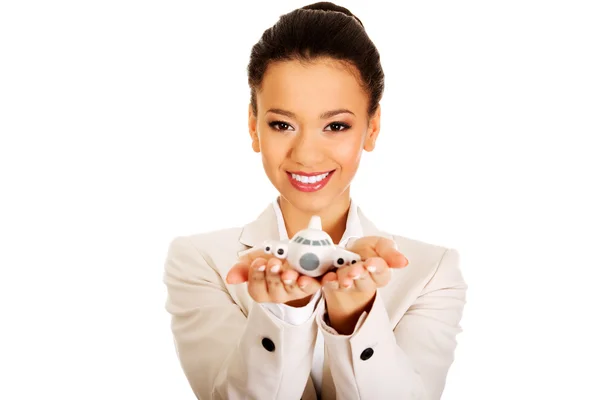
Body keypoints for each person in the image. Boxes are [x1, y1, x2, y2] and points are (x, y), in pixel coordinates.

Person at [163, 2, 467, 399]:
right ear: (253, 127)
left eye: (336, 125)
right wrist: (285, 313)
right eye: (282, 124)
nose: (306, 153)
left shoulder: (429, 273)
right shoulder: (202, 261)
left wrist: (353, 317)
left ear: (372, 128)